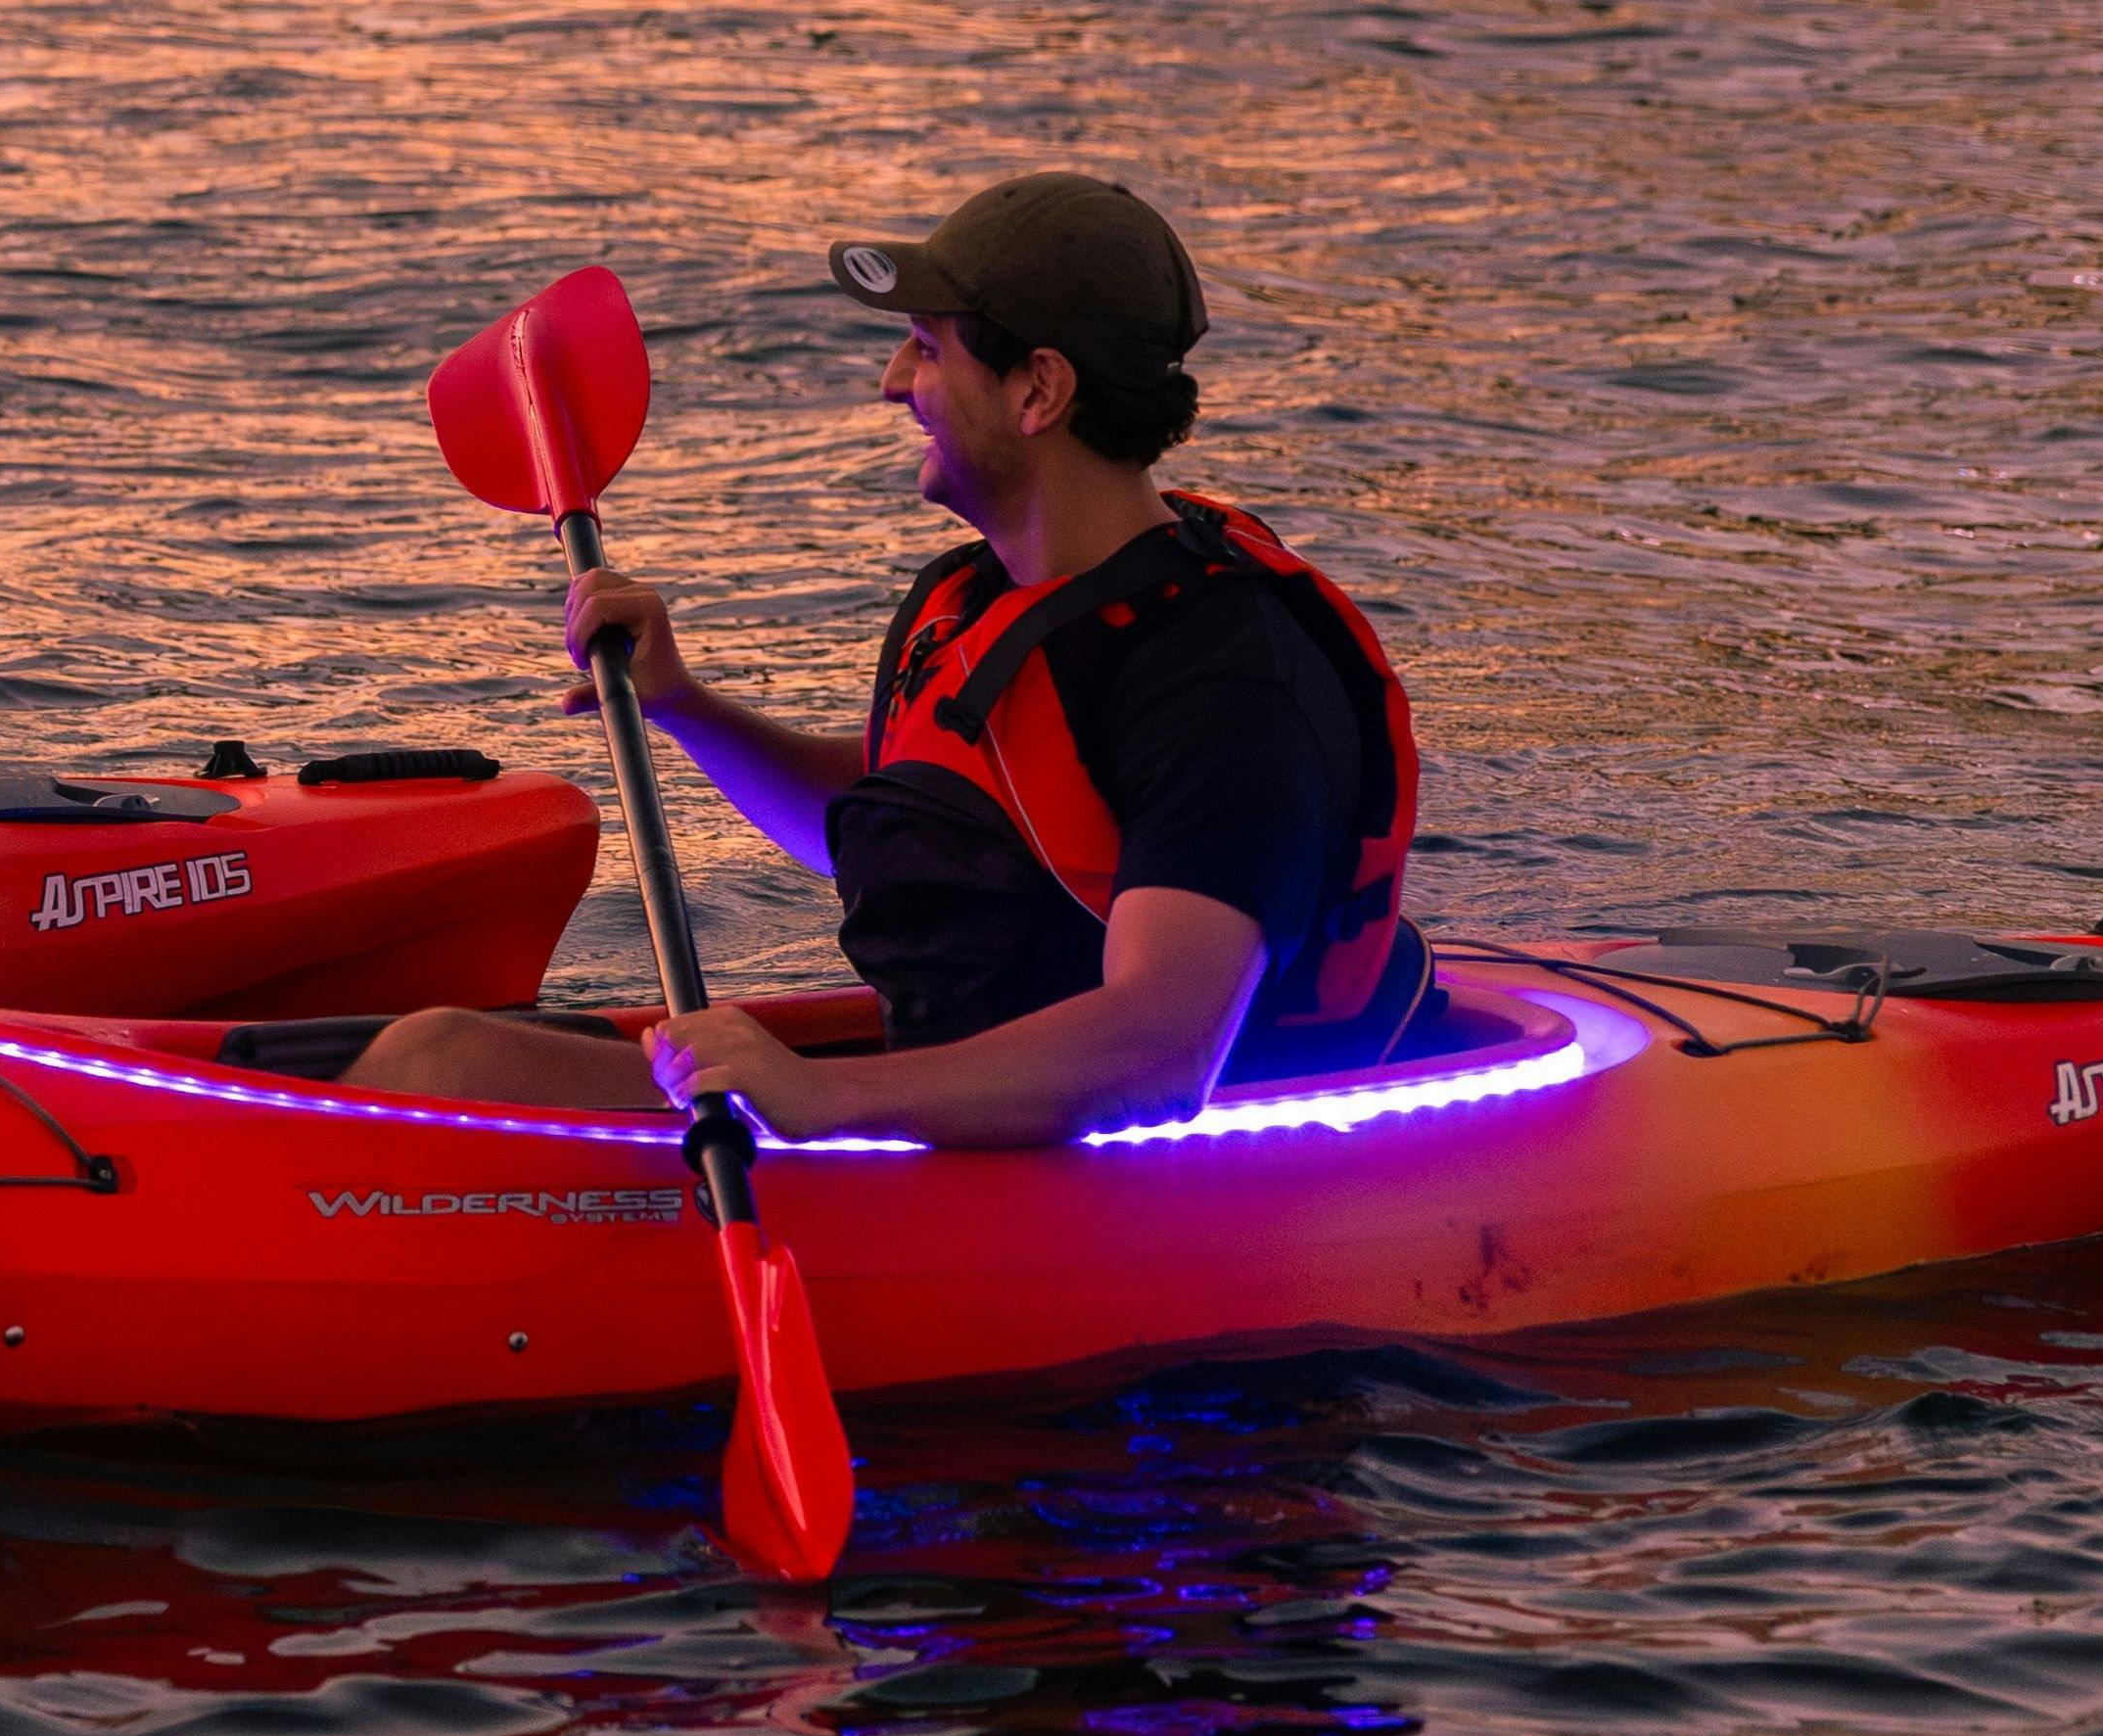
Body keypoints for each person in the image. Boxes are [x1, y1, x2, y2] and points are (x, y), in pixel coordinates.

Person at [355, 170, 1432, 1146]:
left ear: (1037, 391)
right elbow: (894, 828)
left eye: (928, 345)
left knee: (435, 1075)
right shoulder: (970, 599)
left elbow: (1158, 1052)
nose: (890, 378)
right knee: (441, 1053)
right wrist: (685, 704)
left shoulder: (1227, 681)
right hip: (949, 1104)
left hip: (1108, 1170)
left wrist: (825, 1104)